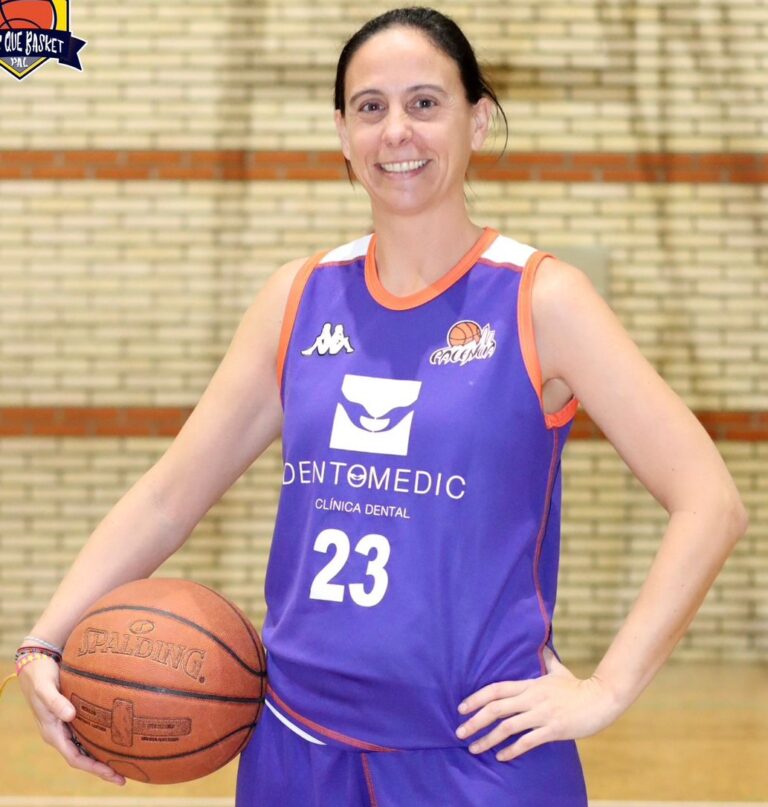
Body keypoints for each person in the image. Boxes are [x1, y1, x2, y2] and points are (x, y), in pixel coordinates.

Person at [13, 6, 748, 806]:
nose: (397, 130)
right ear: (341, 132)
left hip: (476, 752)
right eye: (371, 107)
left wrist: (608, 687)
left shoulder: (543, 300)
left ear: (478, 119)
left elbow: (710, 502)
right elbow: (167, 495)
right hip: (296, 747)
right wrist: (44, 639)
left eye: (425, 103)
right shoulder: (298, 297)